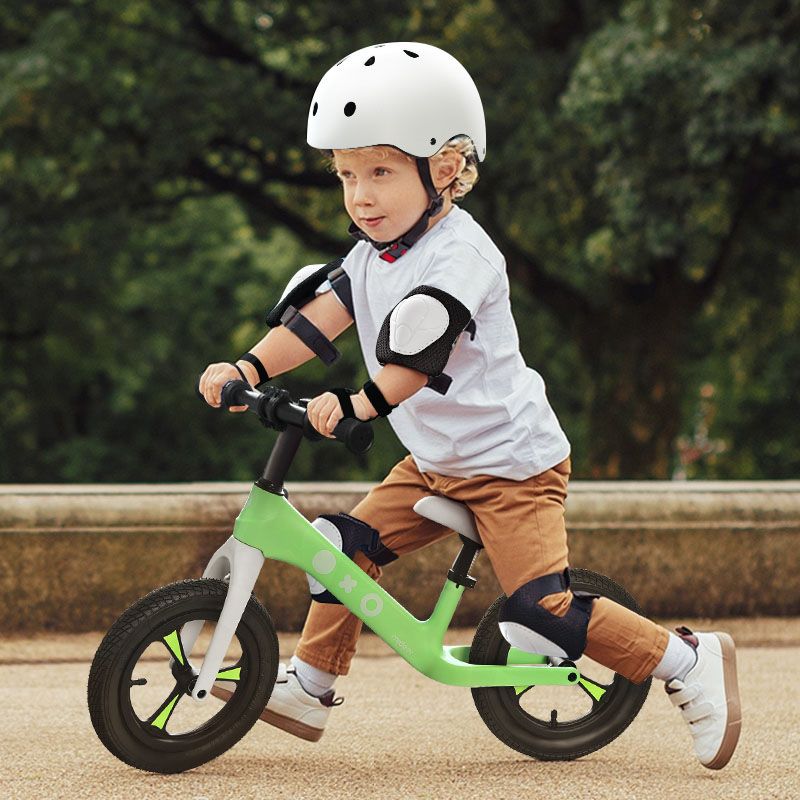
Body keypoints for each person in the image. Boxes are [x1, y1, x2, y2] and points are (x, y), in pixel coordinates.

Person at [199, 41, 741, 769]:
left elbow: (413, 363)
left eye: (381, 172)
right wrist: (249, 365)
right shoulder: (371, 255)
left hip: (512, 466)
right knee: (337, 550)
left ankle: (686, 660)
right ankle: (311, 687)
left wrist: (356, 404)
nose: (360, 195)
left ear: (446, 168)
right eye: (347, 175)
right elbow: (317, 320)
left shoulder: (463, 257)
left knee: (538, 611)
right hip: (433, 463)